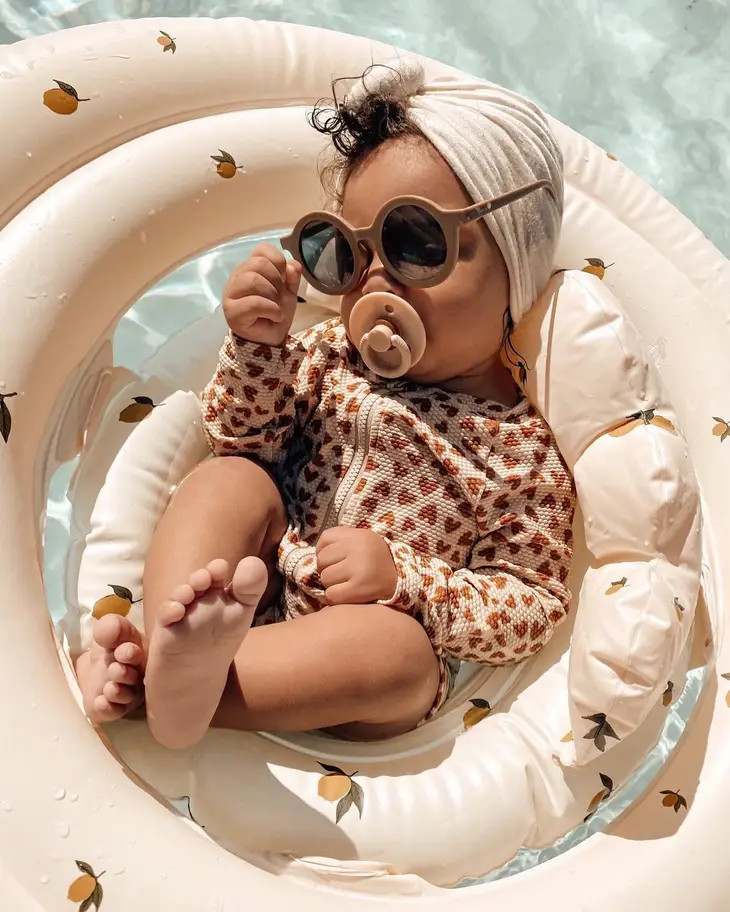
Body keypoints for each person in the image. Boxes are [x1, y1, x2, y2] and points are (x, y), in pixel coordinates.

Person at [75, 58, 575, 750]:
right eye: (345, 253)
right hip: (257, 583)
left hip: (365, 659)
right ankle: (169, 656)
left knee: (396, 653)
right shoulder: (331, 354)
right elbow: (243, 436)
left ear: (516, 264)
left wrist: (406, 582)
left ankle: (169, 689)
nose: (374, 281)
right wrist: (259, 347)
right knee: (230, 479)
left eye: (415, 242)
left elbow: (531, 602)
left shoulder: (521, 453)